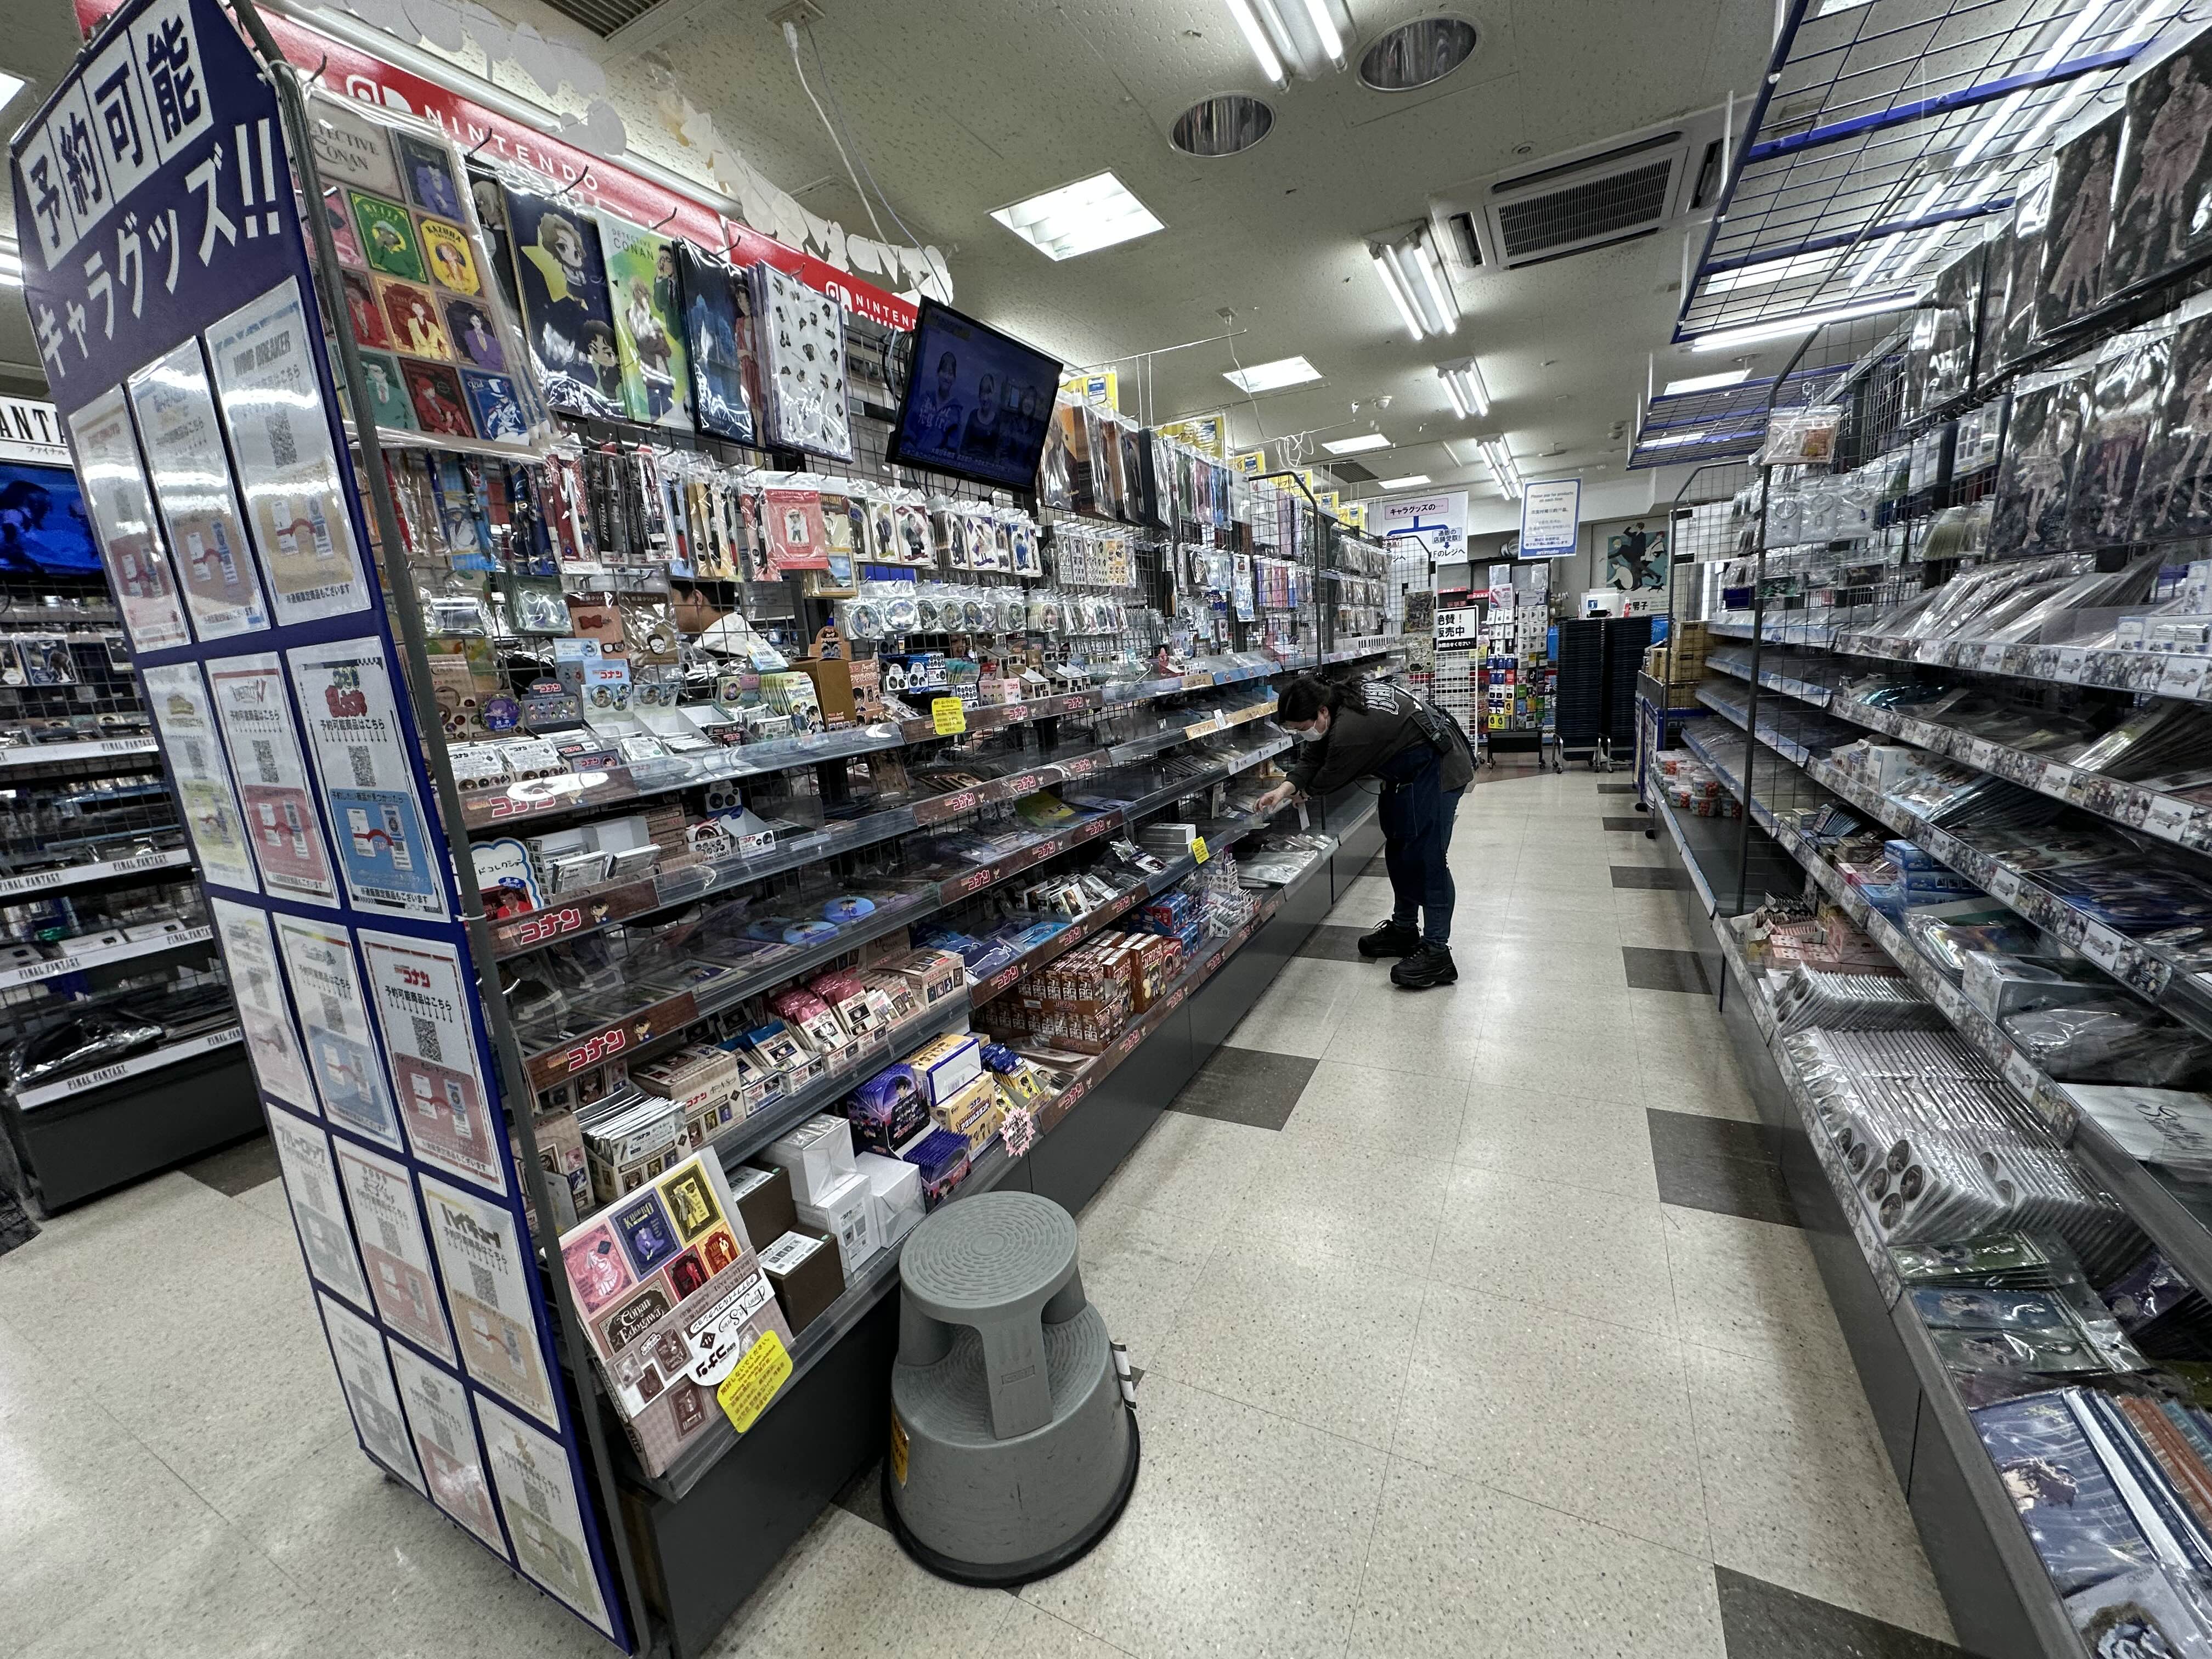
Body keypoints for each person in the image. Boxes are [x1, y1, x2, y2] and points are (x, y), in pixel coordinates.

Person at [1254, 675, 1474, 989]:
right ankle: (1404, 929)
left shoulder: (1351, 731)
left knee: (1428, 859)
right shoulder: (1337, 701)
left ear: (1322, 712)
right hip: (1407, 772)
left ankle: (1437, 952)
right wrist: (1284, 789)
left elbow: (1333, 774)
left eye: (1303, 728)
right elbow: (1315, 754)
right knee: (1399, 851)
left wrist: (1304, 792)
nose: (1303, 734)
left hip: (1438, 768)